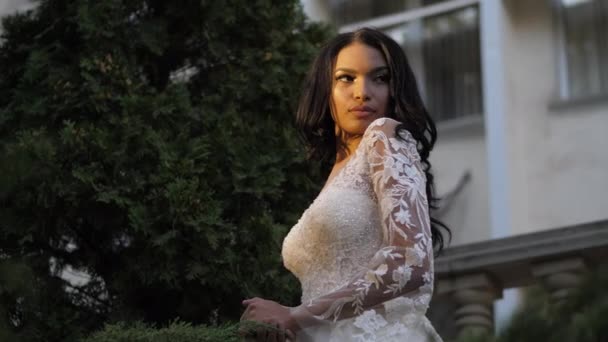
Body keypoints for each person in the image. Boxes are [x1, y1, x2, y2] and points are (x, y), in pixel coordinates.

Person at [240, 27, 449, 342]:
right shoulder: (338, 170)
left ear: (396, 90)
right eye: (346, 78)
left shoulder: (384, 135)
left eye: (380, 78)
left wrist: (294, 316)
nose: (362, 92)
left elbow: (410, 263)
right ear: (325, 89)